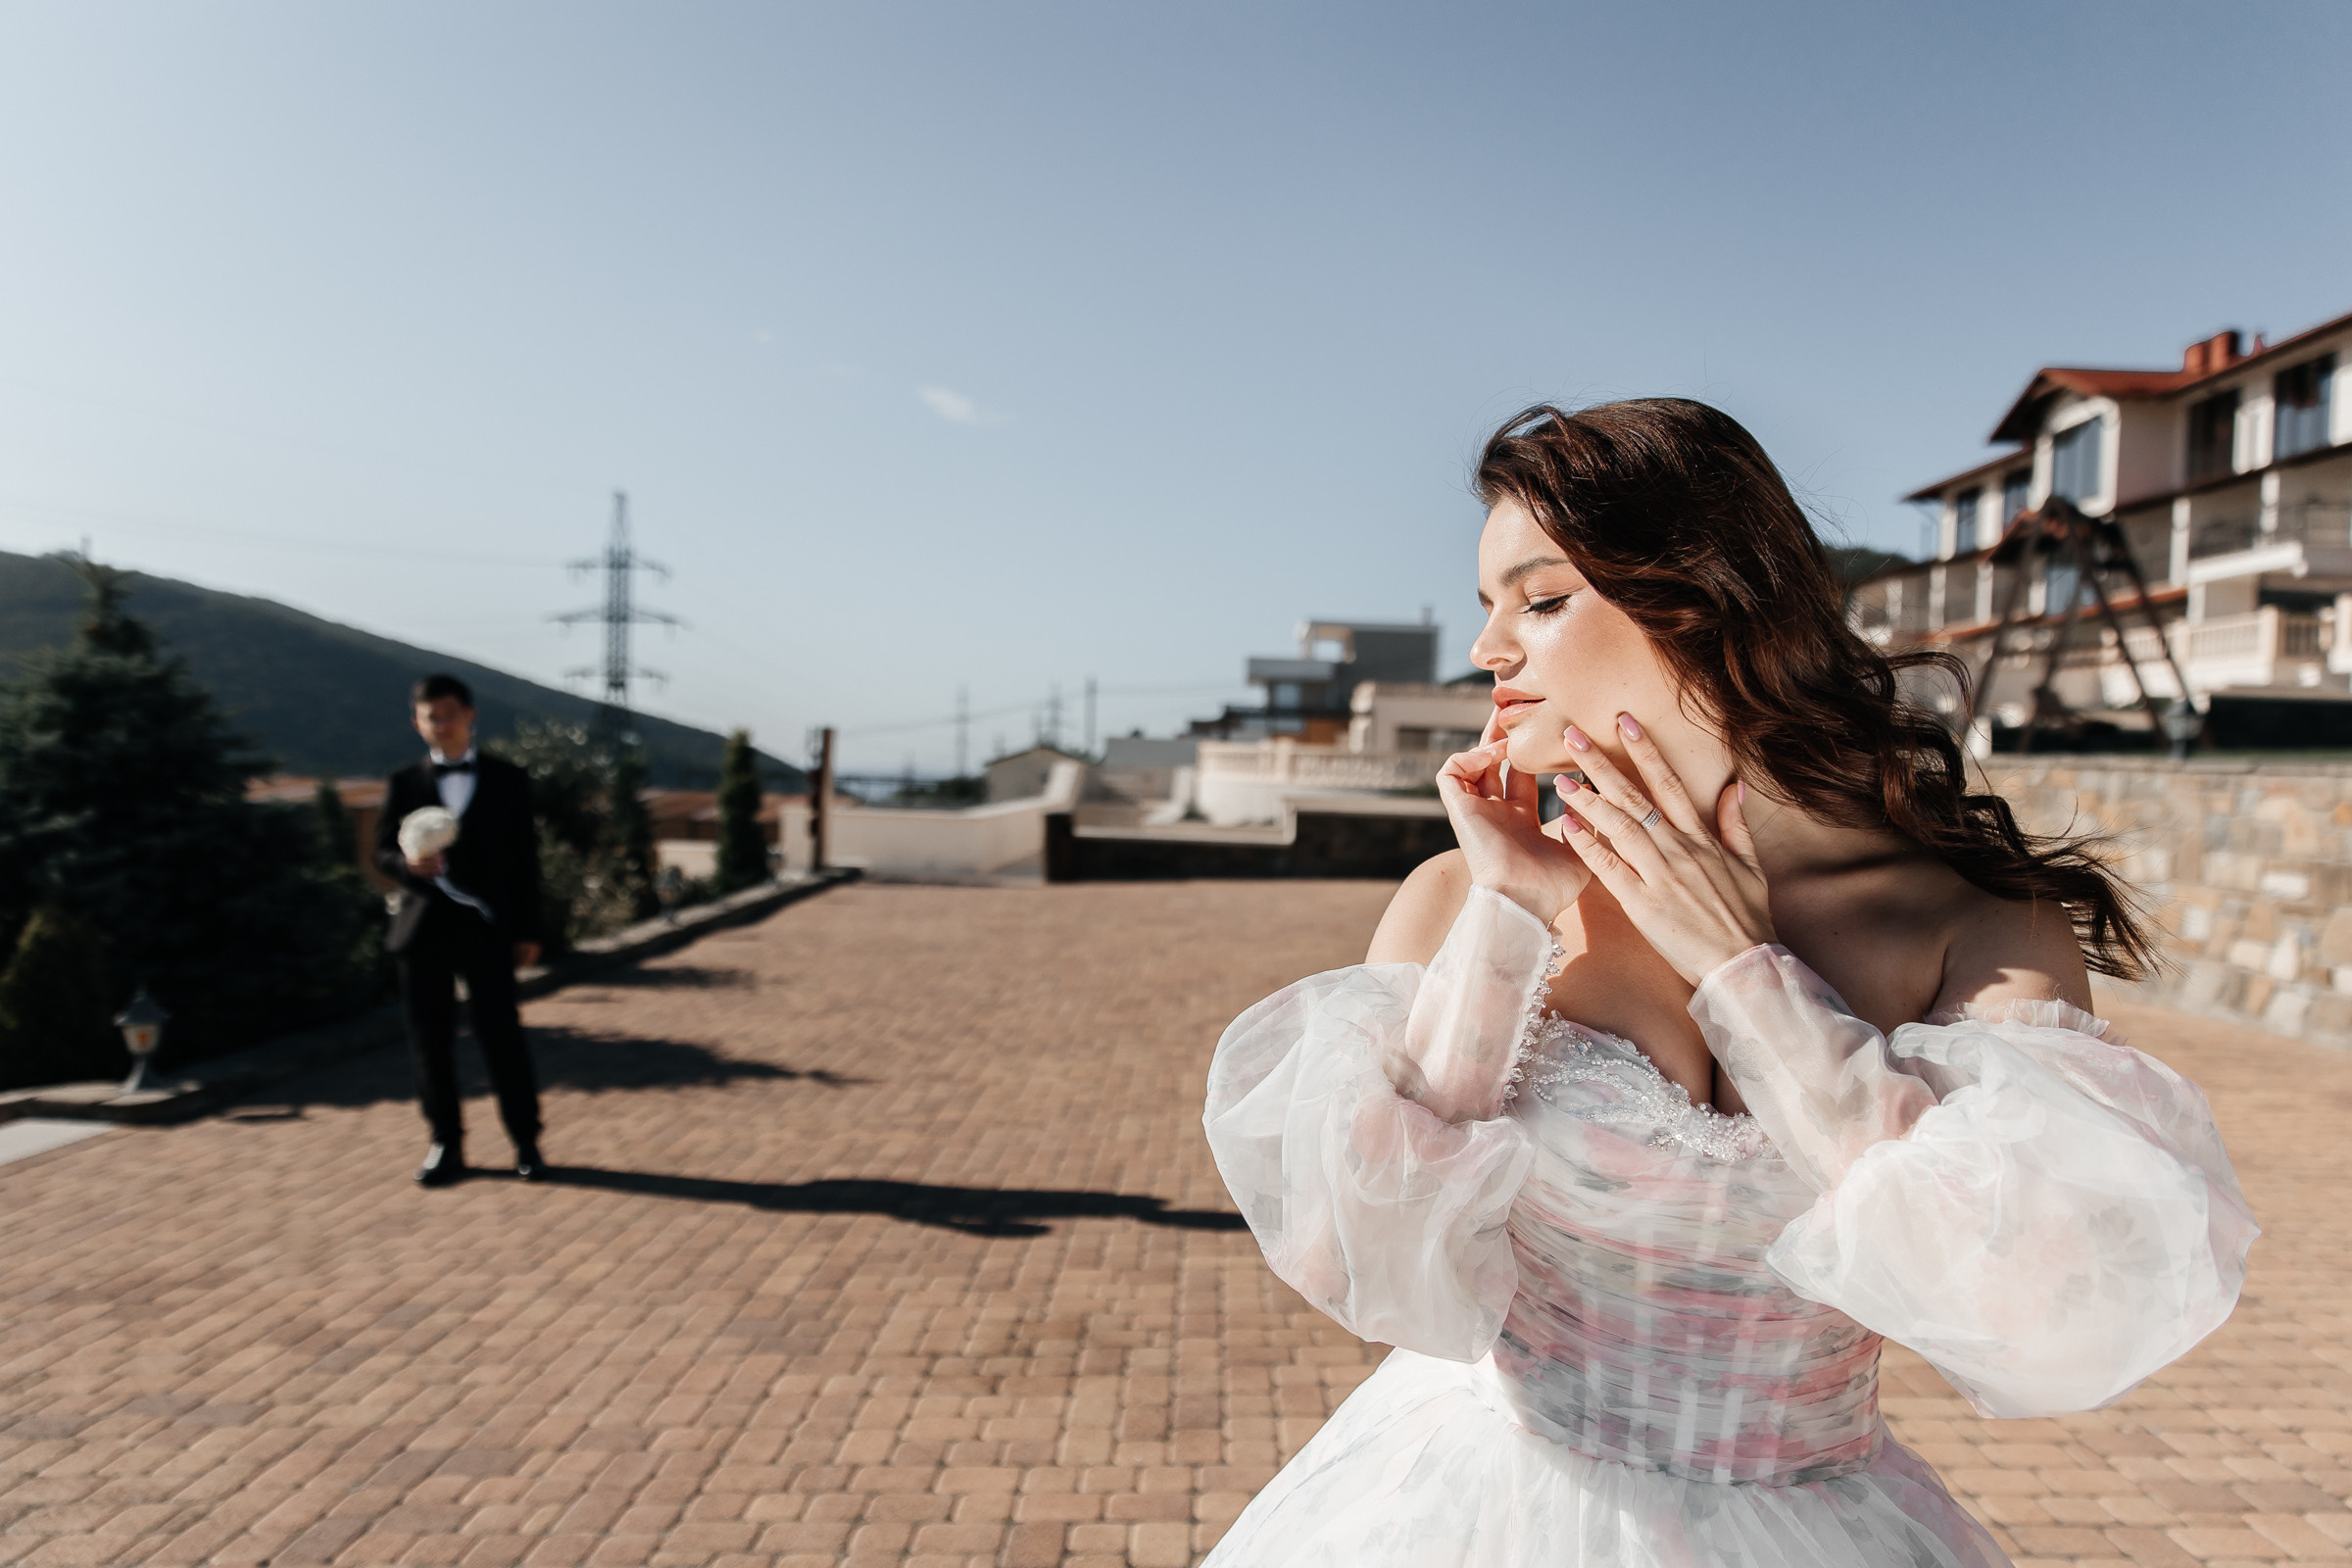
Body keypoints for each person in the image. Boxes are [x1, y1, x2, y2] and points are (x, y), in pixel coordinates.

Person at [1201, 400, 2255, 1567]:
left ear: (1701, 606)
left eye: (1541, 600)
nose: (1490, 650)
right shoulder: (1461, 893)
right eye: (1488, 605)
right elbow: (1364, 1254)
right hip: (1467, 1507)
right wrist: (1508, 926)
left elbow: (2039, 1305)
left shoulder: (1977, 926)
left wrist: (1744, 973)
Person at [374, 674, 548, 1187]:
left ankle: (526, 1142)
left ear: (470, 715)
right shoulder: (404, 782)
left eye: (449, 714)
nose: (441, 724)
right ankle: (445, 1143)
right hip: (421, 931)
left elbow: (525, 862)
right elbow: (379, 850)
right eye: (432, 717)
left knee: (502, 1037)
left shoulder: (508, 779)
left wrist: (529, 929)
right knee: (429, 1042)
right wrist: (407, 864)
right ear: (418, 724)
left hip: (487, 930)